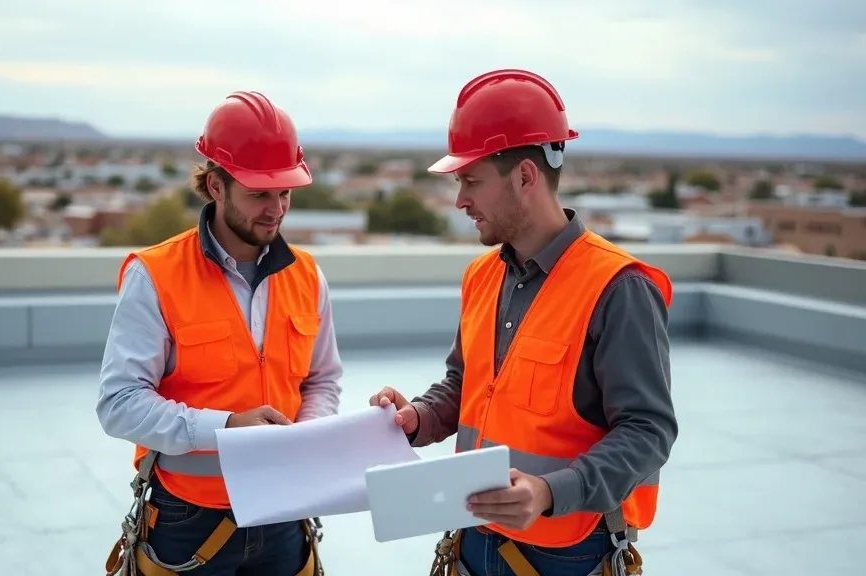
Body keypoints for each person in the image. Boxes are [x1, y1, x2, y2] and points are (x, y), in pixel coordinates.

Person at [370, 69, 678, 576]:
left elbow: (648, 432)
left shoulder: (618, 288)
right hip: (472, 536)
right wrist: (420, 417)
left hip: (569, 552)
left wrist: (550, 492)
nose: (460, 199)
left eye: (471, 181)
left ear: (526, 177)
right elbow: (465, 384)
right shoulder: (481, 276)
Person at [97, 90, 342, 576]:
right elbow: (118, 403)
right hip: (188, 520)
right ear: (216, 186)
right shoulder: (156, 275)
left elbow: (321, 380)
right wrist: (227, 429)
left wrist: (310, 432)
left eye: (285, 192)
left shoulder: (308, 276)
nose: (276, 209)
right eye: (259, 194)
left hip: (284, 515)